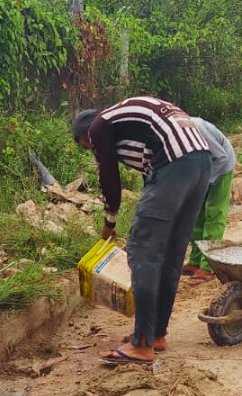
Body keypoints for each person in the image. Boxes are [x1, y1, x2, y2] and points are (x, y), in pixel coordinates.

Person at [73, 97, 211, 366]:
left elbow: (108, 177)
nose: (92, 149)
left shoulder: (98, 127)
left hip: (174, 163)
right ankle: (156, 334)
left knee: (142, 252)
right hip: (201, 163)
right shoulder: (126, 122)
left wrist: (109, 222)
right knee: (171, 254)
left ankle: (142, 344)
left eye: (87, 147)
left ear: (85, 134)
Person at [182, 116, 237, 284]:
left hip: (221, 167)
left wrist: (205, 181)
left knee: (214, 214)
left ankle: (209, 265)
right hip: (201, 170)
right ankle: (195, 260)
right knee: (196, 215)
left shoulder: (195, 128)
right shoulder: (172, 136)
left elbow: (220, 156)